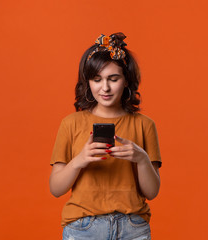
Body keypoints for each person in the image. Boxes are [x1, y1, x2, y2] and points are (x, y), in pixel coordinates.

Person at [50, 32, 161, 240]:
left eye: (113, 78)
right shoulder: (71, 124)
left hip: (133, 228)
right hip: (83, 228)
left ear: (126, 81)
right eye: (97, 79)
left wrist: (142, 159)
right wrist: (79, 160)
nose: (105, 88)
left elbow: (152, 192)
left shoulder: (145, 125)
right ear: (88, 82)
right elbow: (56, 189)